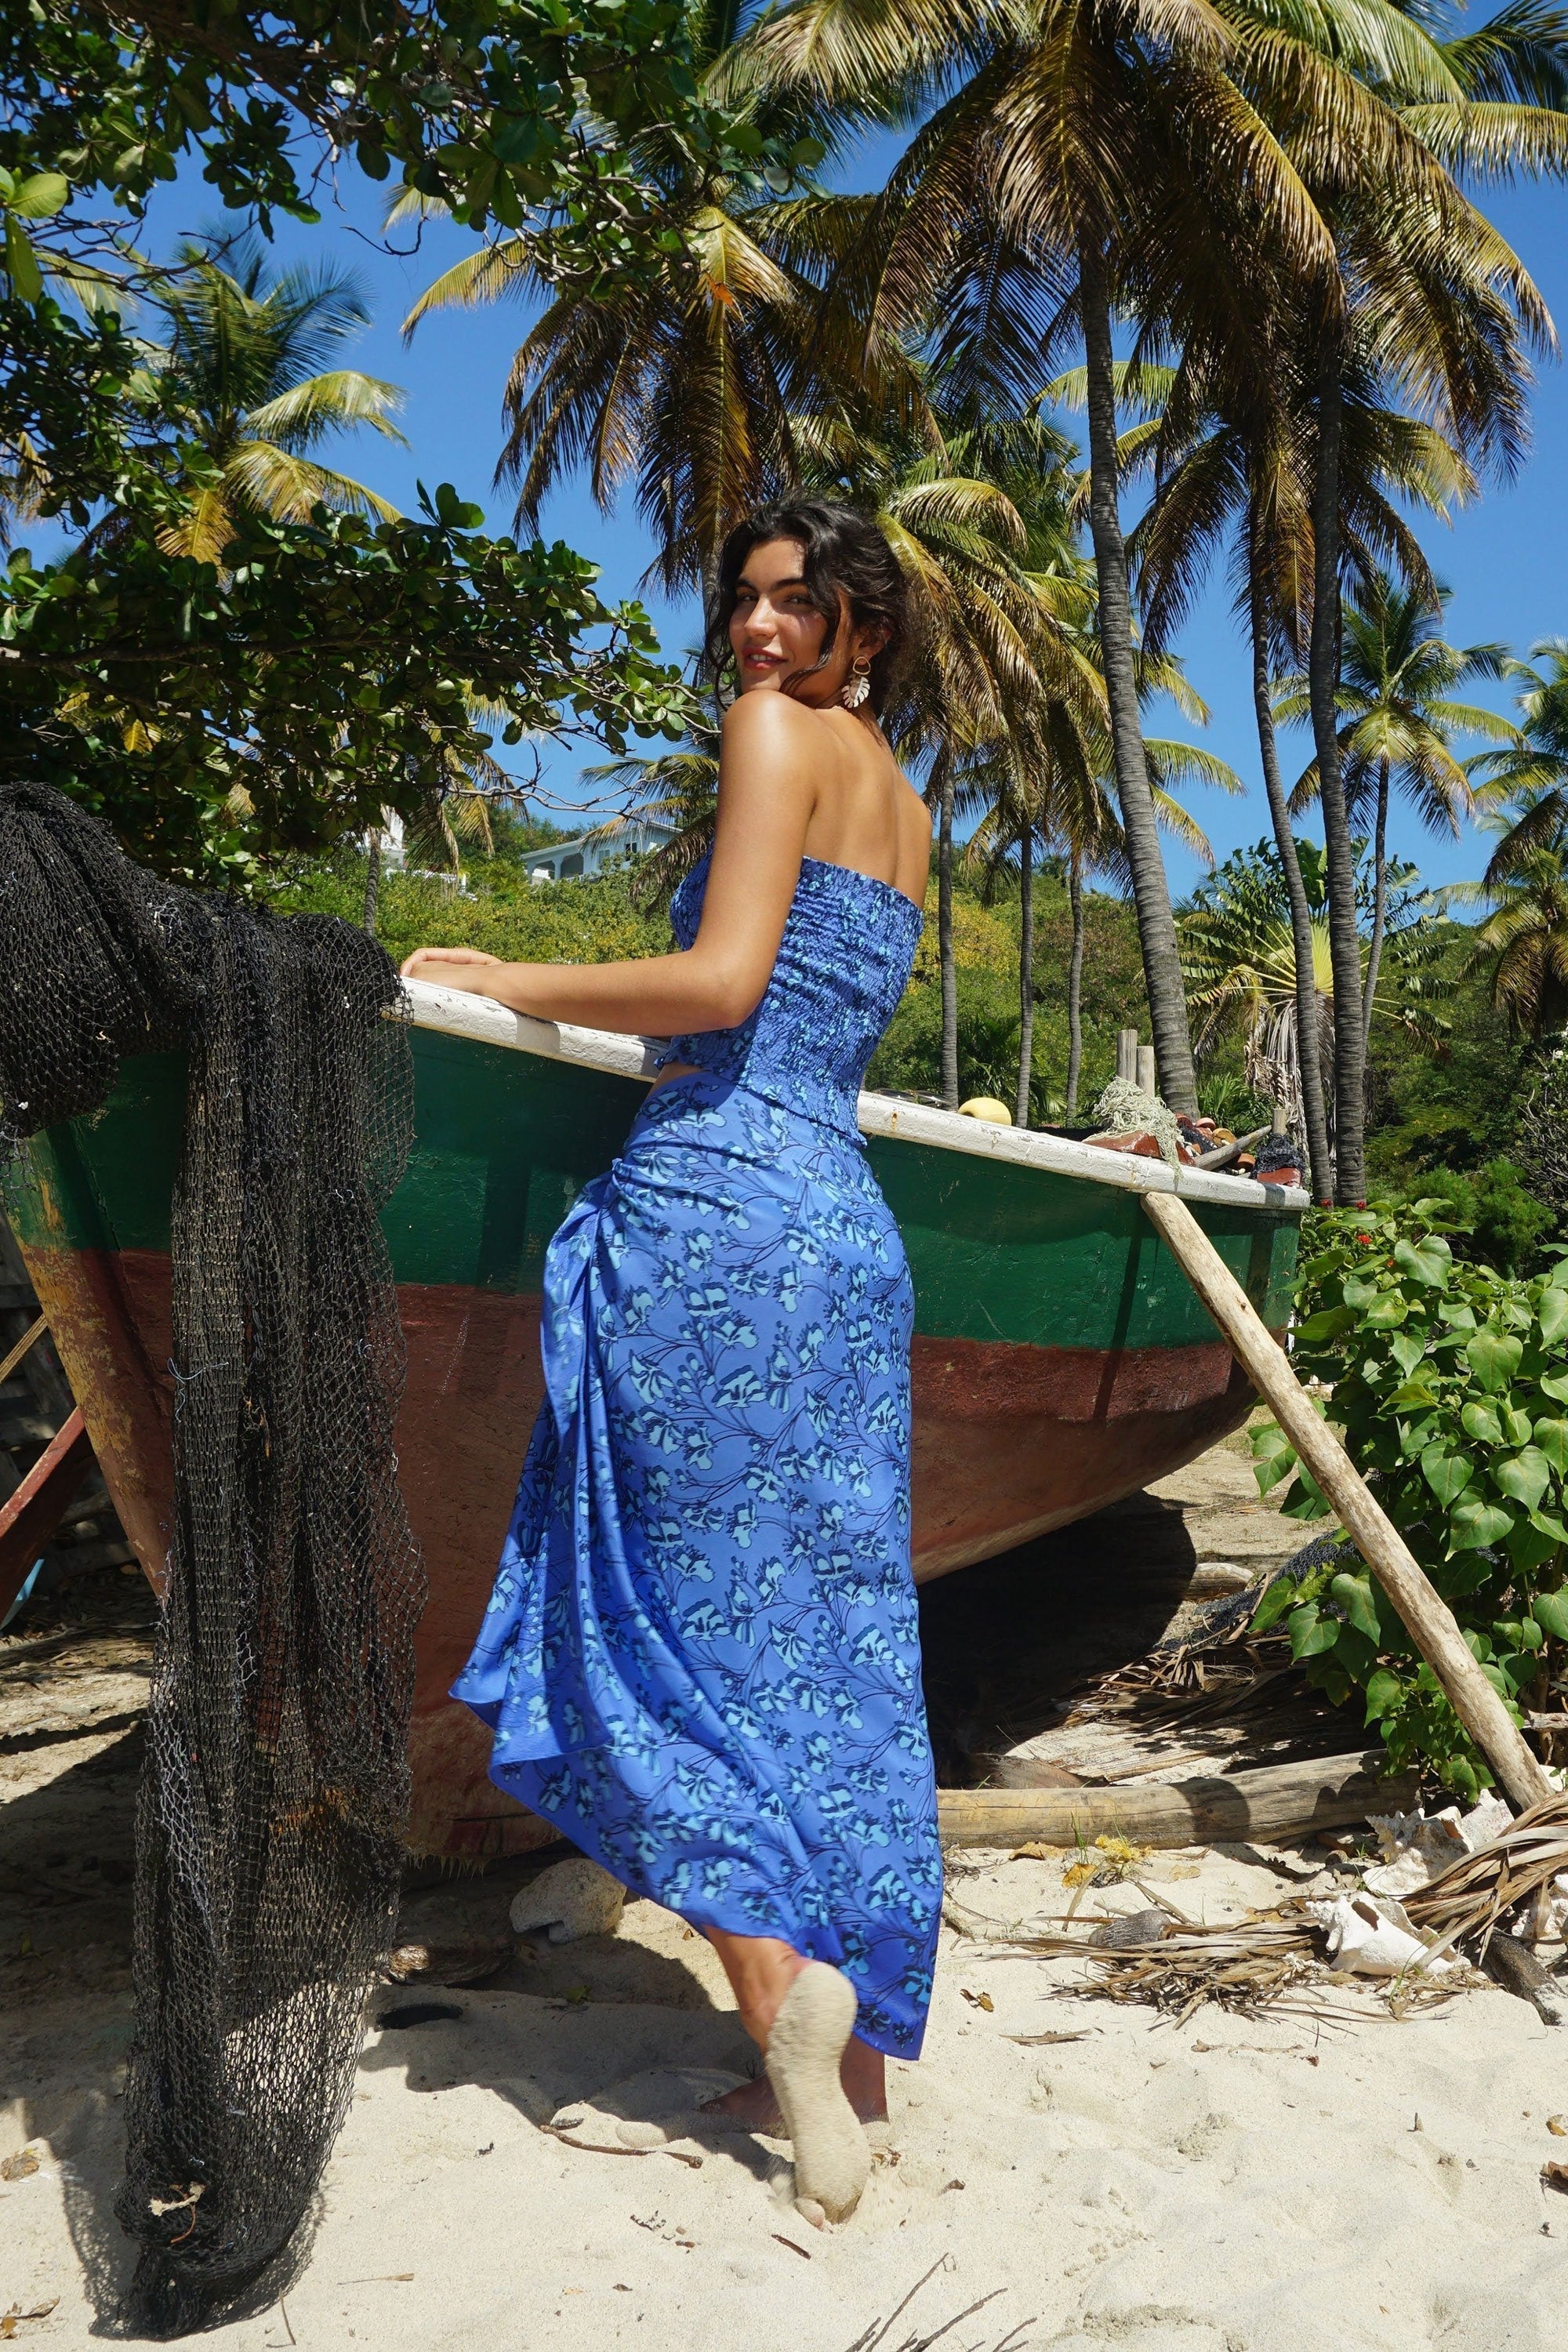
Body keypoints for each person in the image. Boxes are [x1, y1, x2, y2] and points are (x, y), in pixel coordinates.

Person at [401, 502, 942, 2223]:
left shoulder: (769, 736)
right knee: (832, 1650)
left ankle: (784, 2001)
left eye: (803, 604)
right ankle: (848, 2072)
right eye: (748, 600)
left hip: (715, 1210)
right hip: (842, 1232)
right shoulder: (909, 804)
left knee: (649, 1626)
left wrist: (509, 974)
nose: (762, 631)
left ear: (862, 626)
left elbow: (718, 982)